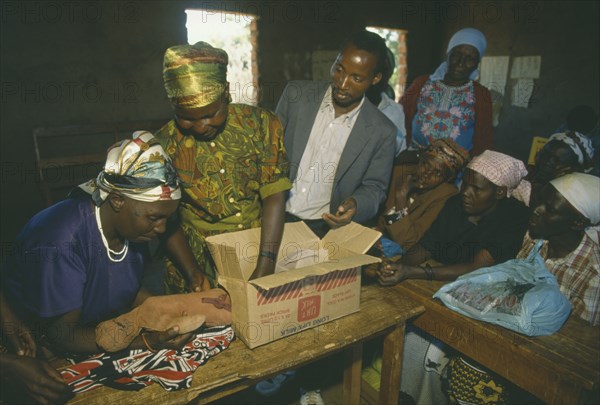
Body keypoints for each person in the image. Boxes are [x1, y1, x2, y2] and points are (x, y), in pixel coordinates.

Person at [1, 131, 191, 355]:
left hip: (88, 327)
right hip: (31, 345)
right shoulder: (60, 241)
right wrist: (148, 341)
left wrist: (162, 311)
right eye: (154, 218)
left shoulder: (132, 225)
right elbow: (63, 336)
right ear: (118, 200)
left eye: (166, 219)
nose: (161, 228)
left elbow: (124, 285)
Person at [156, 42, 292, 290]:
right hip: (194, 258)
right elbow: (166, 220)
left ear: (226, 92)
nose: (200, 127)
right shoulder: (163, 146)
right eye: (186, 117)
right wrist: (193, 273)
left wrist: (266, 262)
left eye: (211, 114)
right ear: (173, 106)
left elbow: (274, 193)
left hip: (258, 246)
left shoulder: (260, 125)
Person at [276, 30, 397, 238]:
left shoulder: (382, 131)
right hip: (273, 215)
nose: (342, 84)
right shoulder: (295, 95)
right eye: (339, 70)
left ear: (375, 79)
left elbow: (375, 187)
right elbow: (268, 148)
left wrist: (355, 204)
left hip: (322, 229)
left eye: (356, 78)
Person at [377, 150, 530, 285]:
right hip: (441, 276)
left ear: (500, 193)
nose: (465, 192)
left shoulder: (514, 217)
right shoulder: (455, 204)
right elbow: (427, 245)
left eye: (476, 188)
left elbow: (475, 267)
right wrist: (398, 266)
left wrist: (412, 272)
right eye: (465, 184)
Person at [517, 173, 600, 325]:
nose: (536, 209)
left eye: (550, 209)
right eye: (539, 200)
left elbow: (575, 340)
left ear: (578, 223)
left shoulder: (592, 275)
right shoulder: (533, 239)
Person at [400, 27, 493, 163]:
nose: (461, 63)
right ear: (448, 54)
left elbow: (483, 142)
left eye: (470, 58)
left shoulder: (481, 95)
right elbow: (401, 119)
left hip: (454, 173)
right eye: (456, 55)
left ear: (477, 63)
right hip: (413, 161)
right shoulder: (422, 83)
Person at [377, 138, 470, 256]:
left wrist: (401, 199)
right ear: (420, 160)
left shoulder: (446, 196)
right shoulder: (400, 172)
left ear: (447, 179)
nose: (427, 174)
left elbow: (410, 244)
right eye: (426, 164)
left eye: (437, 173)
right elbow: (379, 220)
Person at [526, 131, 596, 208]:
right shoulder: (526, 174)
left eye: (557, 160)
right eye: (545, 154)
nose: (547, 161)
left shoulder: (565, 201)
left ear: (573, 169)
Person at [366, 47, 407, 156]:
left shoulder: (396, 111)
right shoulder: (349, 107)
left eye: (384, 72)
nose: (378, 79)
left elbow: (399, 151)